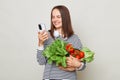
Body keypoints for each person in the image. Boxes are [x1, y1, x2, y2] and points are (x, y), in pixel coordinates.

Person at [37, 5, 86, 80]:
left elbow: (83, 65)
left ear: (65, 18)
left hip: (68, 78)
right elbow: (41, 61)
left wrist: (77, 65)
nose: (55, 20)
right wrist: (40, 43)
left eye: (58, 17)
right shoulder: (47, 36)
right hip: (49, 77)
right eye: (53, 17)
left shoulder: (74, 38)